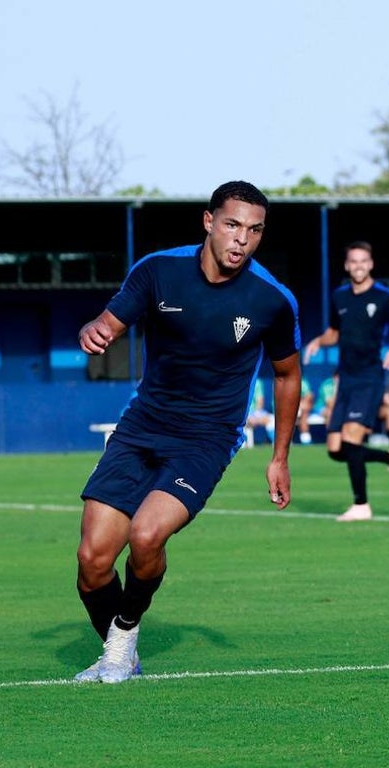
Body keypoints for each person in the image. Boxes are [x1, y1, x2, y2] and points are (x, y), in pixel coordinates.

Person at [74, 180, 302, 683]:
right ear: (208, 221)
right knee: (92, 561)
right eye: (232, 225)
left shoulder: (272, 300)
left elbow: (287, 375)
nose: (241, 239)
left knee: (147, 534)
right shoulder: (159, 271)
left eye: (254, 230)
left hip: (206, 438)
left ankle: (120, 646)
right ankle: (119, 651)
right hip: (141, 428)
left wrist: (279, 457)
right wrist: (98, 329)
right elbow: (110, 321)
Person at [305, 241, 389, 521]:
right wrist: (319, 341)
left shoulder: (384, 297)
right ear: (347, 266)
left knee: (352, 439)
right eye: (353, 261)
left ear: (371, 264)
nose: (358, 266)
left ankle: (361, 505)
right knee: (335, 449)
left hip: (369, 378)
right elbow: (334, 332)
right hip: (346, 378)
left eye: (363, 261)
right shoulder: (339, 297)